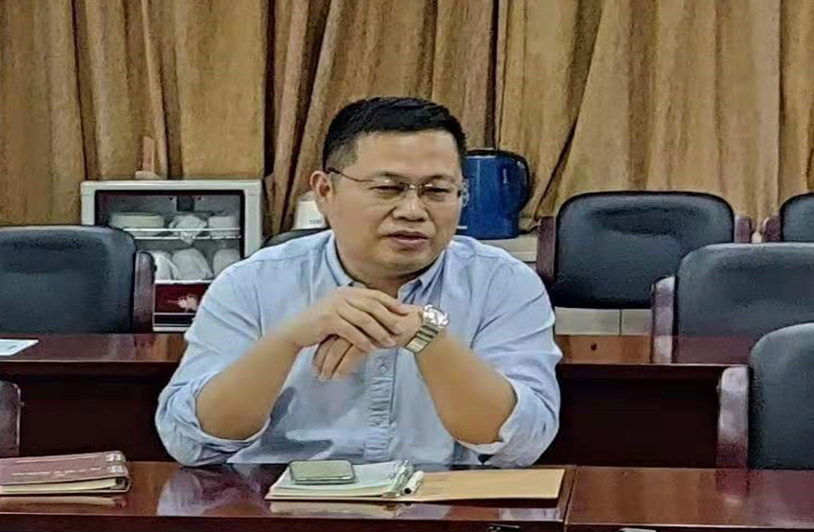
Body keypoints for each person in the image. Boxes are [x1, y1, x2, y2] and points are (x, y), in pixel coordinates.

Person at [156, 96, 561, 468]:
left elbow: (521, 444)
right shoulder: (252, 283)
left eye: (437, 190)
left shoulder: (504, 284)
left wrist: (425, 336)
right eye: (387, 188)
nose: (413, 210)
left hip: (444, 510)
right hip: (279, 509)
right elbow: (190, 441)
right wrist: (288, 339)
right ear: (325, 191)